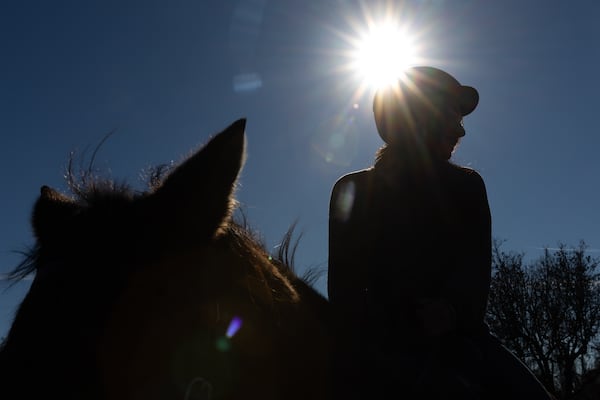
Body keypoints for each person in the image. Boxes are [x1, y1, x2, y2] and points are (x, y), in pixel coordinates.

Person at [327, 66, 554, 399]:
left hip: (460, 338)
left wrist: (451, 310)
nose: (460, 132)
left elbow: (476, 273)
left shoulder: (468, 187)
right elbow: (343, 290)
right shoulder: (352, 189)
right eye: (452, 115)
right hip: (377, 346)